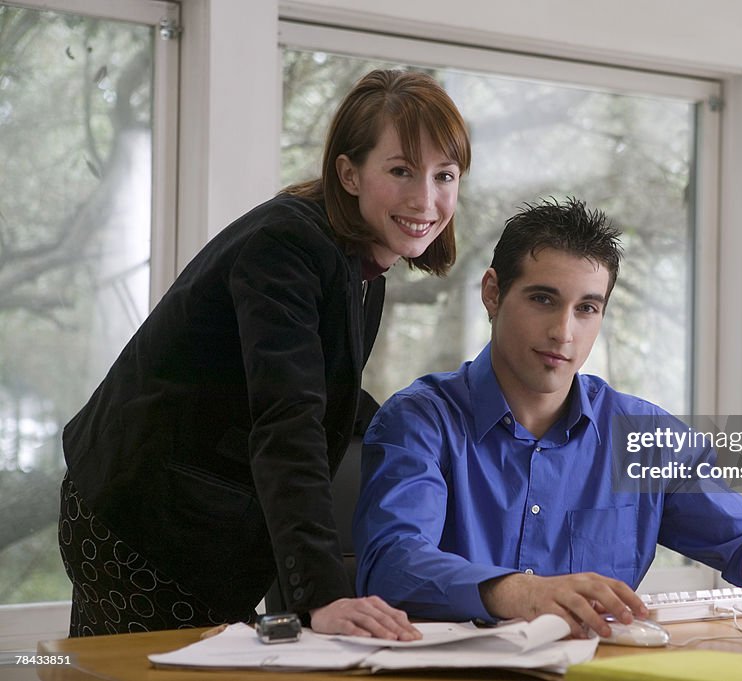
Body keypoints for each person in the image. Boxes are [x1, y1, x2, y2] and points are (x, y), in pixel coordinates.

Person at [353, 197, 742, 639]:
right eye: (543, 298)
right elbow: (392, 560)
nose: (563, 332)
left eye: (587, 308)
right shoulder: (420, 422)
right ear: (493, 293)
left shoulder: (642, 437)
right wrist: (521, 590)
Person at [59, 69, 470, 639]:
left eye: (443, 175)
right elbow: (288, 418)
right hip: (142, 519)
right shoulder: (289, 246)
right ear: (348, 174)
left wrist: (423, 424)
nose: (425, 198)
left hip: (184, 514)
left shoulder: (363, 264)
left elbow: (325, 388)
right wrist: (323, 595)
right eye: (401, 170)